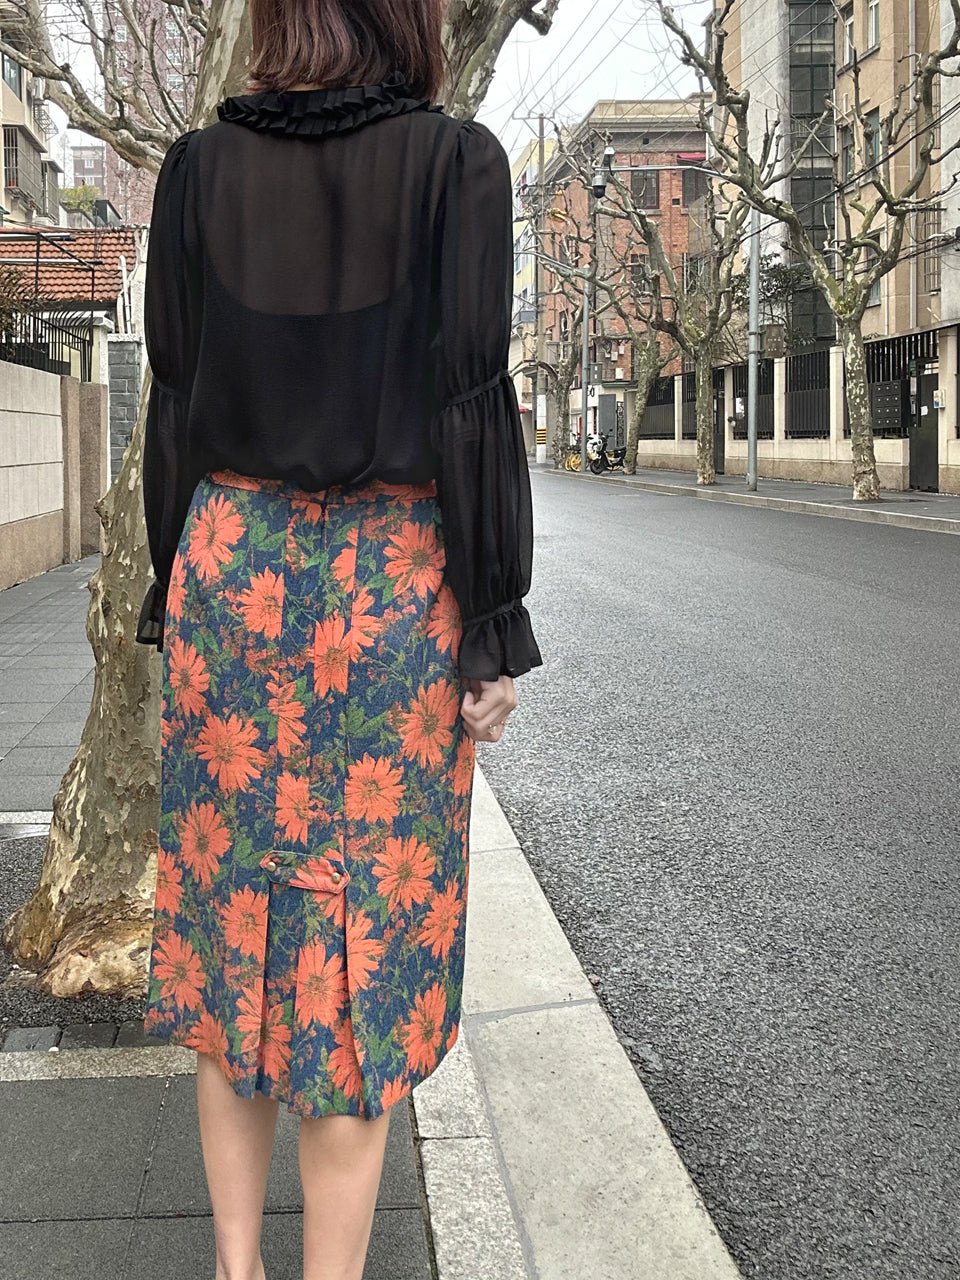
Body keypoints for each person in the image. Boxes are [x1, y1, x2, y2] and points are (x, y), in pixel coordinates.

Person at [132, 2, 543, 1278]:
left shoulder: (196, 172)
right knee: (359, 961)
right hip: (389, 589)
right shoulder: (456, 165)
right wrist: (492, 621)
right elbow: (472, 402)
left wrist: (173, 586)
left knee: (231, 931)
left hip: (231, 574)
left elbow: (175, 399)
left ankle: (235, 1265)